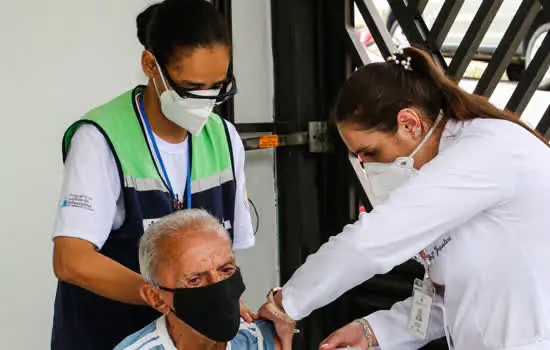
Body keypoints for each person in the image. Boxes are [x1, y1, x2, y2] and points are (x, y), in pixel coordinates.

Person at [259, 46, 550, 350]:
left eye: (370, 153)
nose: (368, 168)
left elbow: (369, 243)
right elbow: (452, 299)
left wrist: (286, 304)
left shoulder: (486, 151)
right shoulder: (448, 170)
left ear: (409, 124)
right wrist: (373, 331)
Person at [51, 1, 255, 349]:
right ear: (151, 66)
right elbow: (72, 260)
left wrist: (222, 302)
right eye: (191, 88)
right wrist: (171, 298)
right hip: (110, 334)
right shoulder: (101, 139)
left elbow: (226, 253)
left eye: (217, 87)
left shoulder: (223, 138)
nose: (204, 101)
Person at [115, 209, 295, 350]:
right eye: (194, 280)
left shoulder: (260, 341)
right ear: (156, 298)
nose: (219, 287)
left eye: (226, 270)